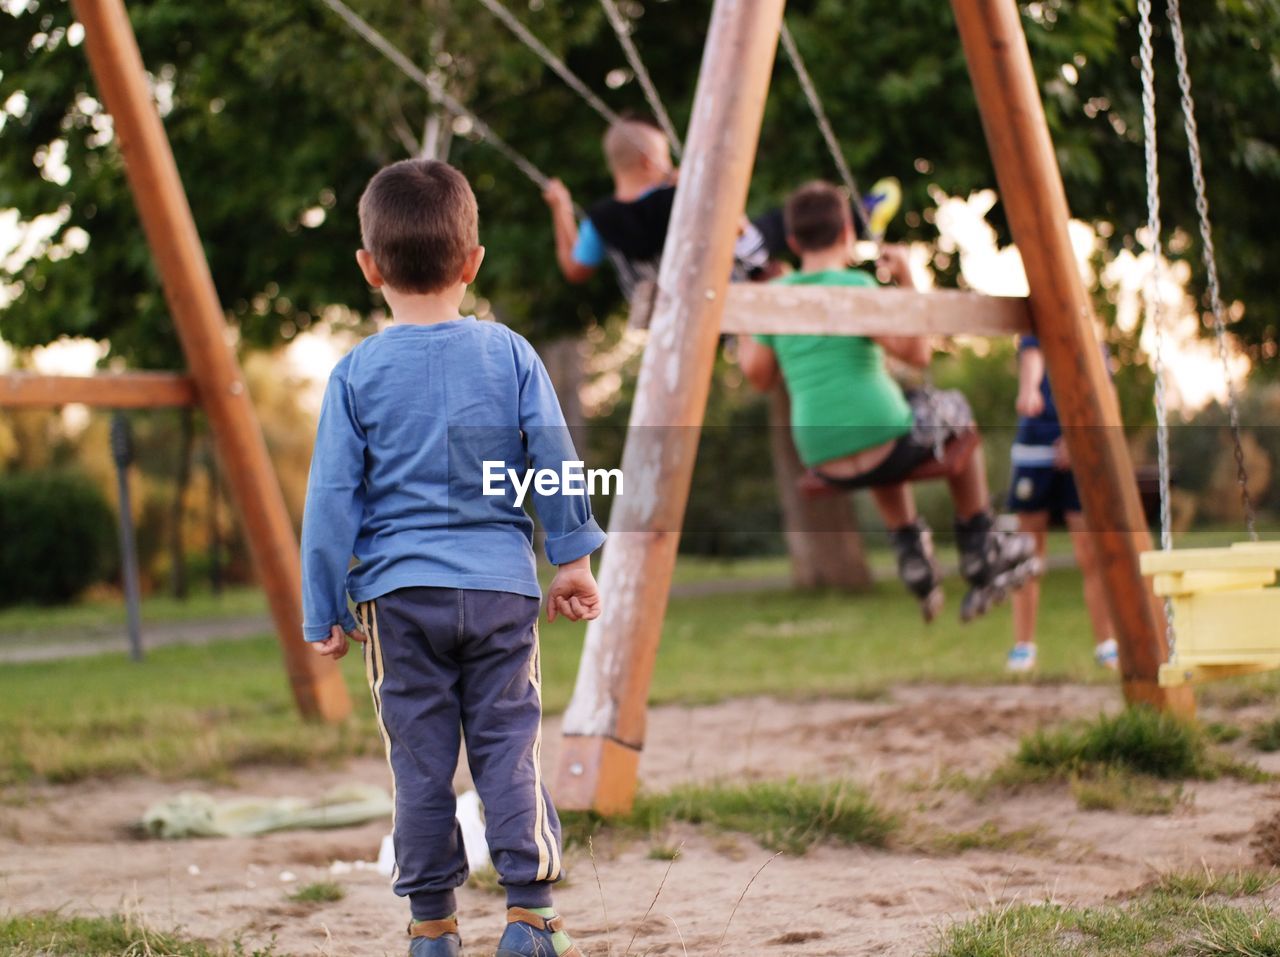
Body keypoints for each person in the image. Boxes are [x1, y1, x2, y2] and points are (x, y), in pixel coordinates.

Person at [300, 158, 604, 957]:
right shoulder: (508, 354)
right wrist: (571, 557)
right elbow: (552, 457)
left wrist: (323, 605)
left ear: (369, 269)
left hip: (399, 602)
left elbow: (331, 499)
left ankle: (433, 928)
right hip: (500, 590)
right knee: (509, 743)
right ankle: (530, 915)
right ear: (473, 262)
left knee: (421, 762)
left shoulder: (355, 374)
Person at [737, 180, 1040, 622]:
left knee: (886, 430)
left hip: (821, 454)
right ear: (847, 231)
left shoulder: (775, 299)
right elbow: (917, 354)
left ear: (793, 241)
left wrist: (748, 314)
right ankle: (978, 540)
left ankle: (911, 550)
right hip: (885, 437)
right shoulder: (857, 284)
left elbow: (759, 377)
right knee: (950, 408)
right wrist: (907, 278)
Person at [542, 117, 767, 300]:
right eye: (665, 157)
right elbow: (741, 232)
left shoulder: (600, 220)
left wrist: (560, 209)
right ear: (649, 162)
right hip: (718, 302)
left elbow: (575, 270)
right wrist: (696, 186)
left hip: (662, 320)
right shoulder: (684, 196)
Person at [1005, 336, 1118, 672]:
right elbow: (1032, 358)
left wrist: (1081, 437)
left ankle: (1107, 645)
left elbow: (1105, 397)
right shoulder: (1035, 333)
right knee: (1028, 553)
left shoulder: (1094, 341)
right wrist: (1029, 389)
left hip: (1081, 455)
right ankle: (1023, 648)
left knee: (1090, 551)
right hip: (1034, 450)